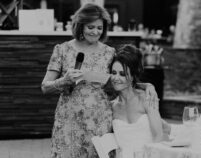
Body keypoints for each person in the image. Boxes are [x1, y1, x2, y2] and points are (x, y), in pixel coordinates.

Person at [41, 4, 157, 158]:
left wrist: (147, 85)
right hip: (68, 117)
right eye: (90, 27)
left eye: (99, 28)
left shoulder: (109, 52)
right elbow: (45, 87)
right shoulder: (62, 50)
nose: (95, 32)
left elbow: (121, 79)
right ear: (80, 25)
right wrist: (65, 80)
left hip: (99, 118)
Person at [108, 44, 163, 158]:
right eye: (113, 73)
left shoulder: (146, 98)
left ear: (133, 76)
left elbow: (158, 136)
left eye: (122, 74)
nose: (116, 78)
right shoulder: (111, 106)